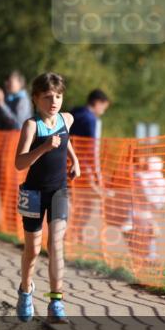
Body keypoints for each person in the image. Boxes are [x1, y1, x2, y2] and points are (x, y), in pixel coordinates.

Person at [13, 72, 80, 323]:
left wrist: (75, 160)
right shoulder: (31, 125)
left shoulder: (67, 119)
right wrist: (43, 147)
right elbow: (19, 163)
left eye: (58, 97)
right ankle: (25, 291)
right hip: (33, 193)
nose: (54, 102)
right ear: (35, 98)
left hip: (59, 190)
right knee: (32, 249)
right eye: (48, 97)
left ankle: (56, 302)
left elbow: (65, 139)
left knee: (56, 245)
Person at [67, 89, 110, 245]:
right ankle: (75, 232)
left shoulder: (73, 113)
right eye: (104, 107)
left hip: (64, 161)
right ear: (98, 103)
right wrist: (98, 176)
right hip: (83, 167)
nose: (103, 111)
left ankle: (70, 232)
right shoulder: (92, 120)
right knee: (88, 201)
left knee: (71, 199)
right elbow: (93, 150)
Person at [126, 156, 165, 262]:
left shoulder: (158, 179)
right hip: (149, 207)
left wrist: (143, 182)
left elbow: (150, 195)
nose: (147, 165)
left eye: (149, 164)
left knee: (150, 230)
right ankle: (148, 254)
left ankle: (150, 254)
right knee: (148, 230)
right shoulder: (151, 177)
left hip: (151, 207)